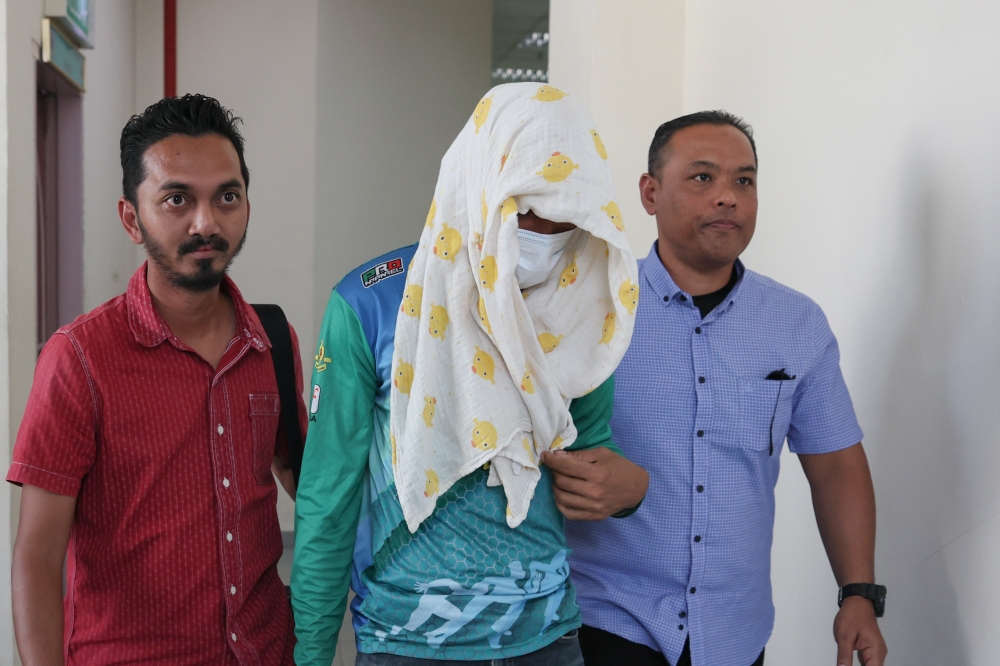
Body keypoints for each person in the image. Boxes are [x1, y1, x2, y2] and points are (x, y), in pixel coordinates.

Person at [292, 82, 649, 666]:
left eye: (564, 213)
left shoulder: (583, 307)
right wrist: (311, 653)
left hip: (546, 642)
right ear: (481, 181)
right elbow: (328, 496)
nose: (544, 232)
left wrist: (630, 492)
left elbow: (590, 455)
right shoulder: (372, 305)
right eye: (524, 207)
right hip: (405, 643)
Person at [565, 111, 888, 666]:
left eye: (744, 180)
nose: (727, 197)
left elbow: (836, 463)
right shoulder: (588, 309)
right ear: (649, 193)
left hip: (734, 634)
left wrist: (858, 593)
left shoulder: (796, 324)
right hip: (603, 622)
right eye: (702, 177)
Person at [7, 94, 305, 664]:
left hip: (266, 650)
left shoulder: (271, 338)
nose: (206, 222)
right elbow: (36, 559)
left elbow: (304, 479)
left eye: (226, 196)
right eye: (177, 199)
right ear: (131, 218)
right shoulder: (80, 358)